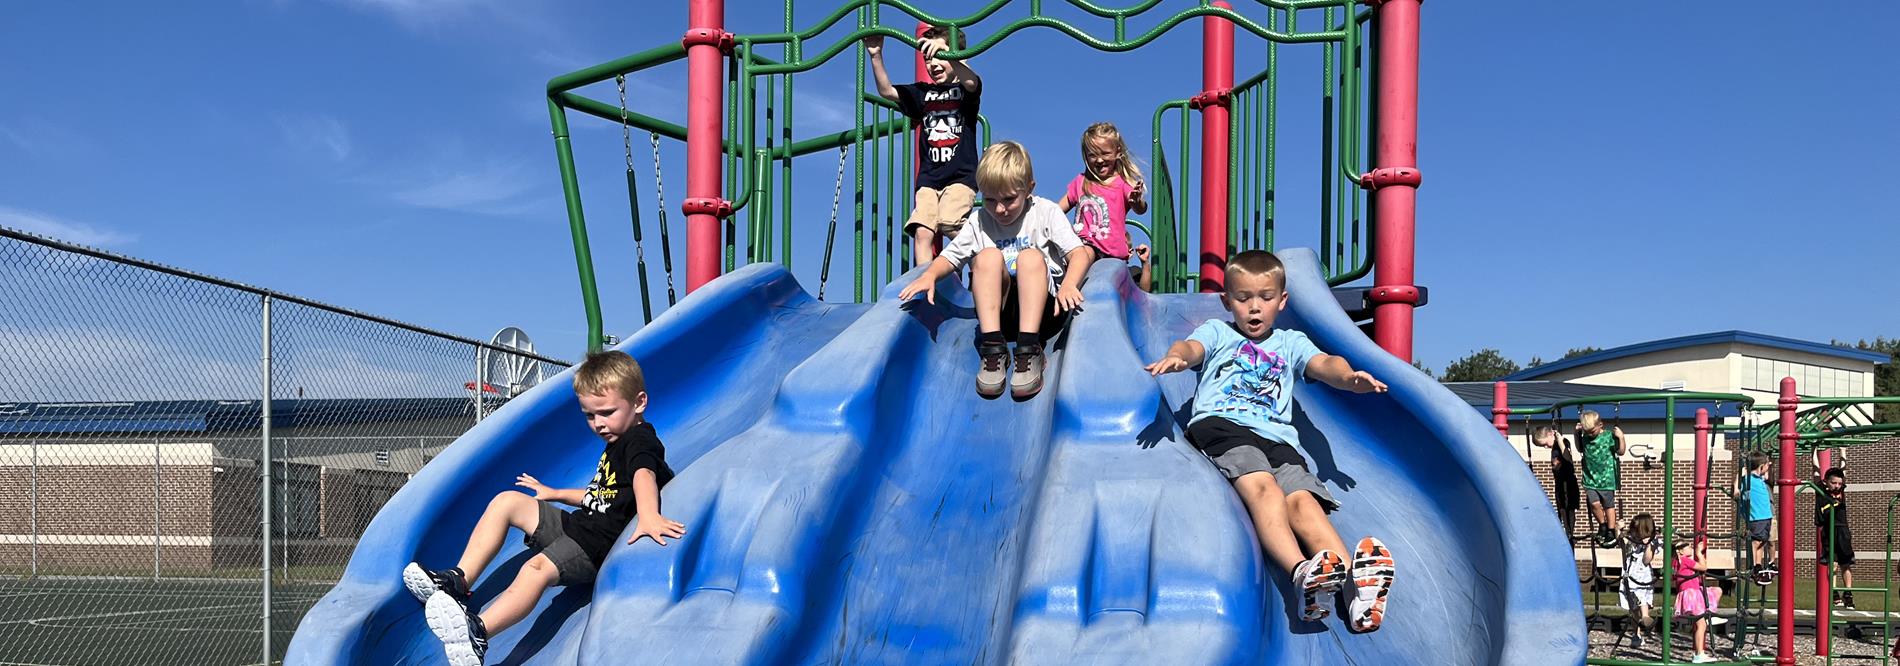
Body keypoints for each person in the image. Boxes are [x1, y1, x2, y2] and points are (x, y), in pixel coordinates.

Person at [1144, 249, 1396, 633]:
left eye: (1265, 298)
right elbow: (1190, 348)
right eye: (1243, 299)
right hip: (1222, 426)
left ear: (1282, 301)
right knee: (1264, 488)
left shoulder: (1290, 342)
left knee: (1304, 503)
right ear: (1227, 301)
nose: (1254, 308)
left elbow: (1326, 363)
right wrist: (1176, 358)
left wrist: (1349, 379)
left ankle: (1352, 591)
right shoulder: (1218, 332)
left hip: (1279, 438)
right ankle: (1301, 574)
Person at [402, 351, 684, 666]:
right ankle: (458, 580)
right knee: (507, 502)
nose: (598, 424)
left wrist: (649, 516)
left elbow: (644, 475)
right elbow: (604, 495)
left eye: (606, 413)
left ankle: (478, 633)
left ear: (639, 402)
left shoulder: (639, 441)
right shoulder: (617, 440)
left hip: (596, 545)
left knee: (534, 570)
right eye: (590, 416)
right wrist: (556, 493)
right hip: (581, 524)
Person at [898, 141, 1093, 399]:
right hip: (998, 316)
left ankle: (1029, 350)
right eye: (990, 200)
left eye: (1009, 199)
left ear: (1029, 189)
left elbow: (1078, 254)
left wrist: (1069, 283)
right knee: (986, 257)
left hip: (1044, 314)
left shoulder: (1046, 212)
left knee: (1030, 258)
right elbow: (952, 256)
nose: (999, 209)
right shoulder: (979, 220)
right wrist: (930, 274)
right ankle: (992, 349)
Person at [865, 26, 982, 267]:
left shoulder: (965, 92)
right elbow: (887, 91)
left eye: (940, 56)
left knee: (950, 222)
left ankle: (983, 268)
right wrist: (876, 56)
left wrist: (948, 52)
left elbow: (971, 80)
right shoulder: (923, 93)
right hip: (929, 179)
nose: (934, 63)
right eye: (929, 59)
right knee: (922, 232)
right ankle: (924, 283)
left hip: (960, 177)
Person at [1057, 122, 1147, 263]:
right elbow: (1056, 211)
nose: (1099, 160)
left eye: (1105, 153)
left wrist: (1136, 202)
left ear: (1118, 152)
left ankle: (1069, 284)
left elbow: (1141, 209)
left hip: (1110, 257)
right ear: (1086, 157)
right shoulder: (1081, 182)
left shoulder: (1122, 183)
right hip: (1081, 250)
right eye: (1093, 155)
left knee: (1085, 252)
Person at [1575, 410, 1626, 547]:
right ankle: (1602, 525)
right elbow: (1580, 448)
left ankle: (1610, 529)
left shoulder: (1609, 436)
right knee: (1594, 504)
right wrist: (1577, 434)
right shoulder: (1585, 437)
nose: (1590, 434)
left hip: (1607, 478)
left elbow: (1620, 451)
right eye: (1587, 432)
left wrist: (1620, 437)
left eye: (1592, 431)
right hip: (1590, 478)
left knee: (1608, 505)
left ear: (1601, 425)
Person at [1672, 536, 1723, 663]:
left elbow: (1698, 576)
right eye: (1687, 546)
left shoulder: (1678, 562)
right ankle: (1699, 654)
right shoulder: (1685, 560)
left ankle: (1709, 614)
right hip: (1691, 594)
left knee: (1717, 591)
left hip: (1691, 592)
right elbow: (1703, 567)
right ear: (1680, 551)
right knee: (1701, 625)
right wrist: (1699, 553)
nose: (1690, 547)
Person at [1815, 466, 1856, 607]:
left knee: (1846, 563)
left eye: (1839, 483)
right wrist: (1814, 450)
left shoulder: (1841, 490)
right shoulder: (1821, 491)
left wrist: (1843, 450)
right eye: (1834, 483)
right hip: (1828, 530)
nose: (1837, 486)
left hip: (1842, 530)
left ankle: (1848, 594)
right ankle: (1834, 593)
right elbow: (1816, 472)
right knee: (1832, 564)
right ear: (1826, 482)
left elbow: (1843, 468)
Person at [1619, 514, 1661, 647]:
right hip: (1629, 575)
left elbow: (1646, 560)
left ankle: (1645, 616)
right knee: (1633, 609)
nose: (1633, 532)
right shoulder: (1630, 540)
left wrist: (1649, 545)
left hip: (1643, 576)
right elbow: (1621, 543)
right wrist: (1618, 529)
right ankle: (1636, 634)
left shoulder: (1653, 542)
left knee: (1642, 598)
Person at [1531, 425, 1580, 538]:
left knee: (1569, 509)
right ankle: (1564, 530)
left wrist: (1560, 440)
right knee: (1561, 508)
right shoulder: (1553, 447)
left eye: (1544, 444)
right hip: (1559, 483)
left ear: (1550, 434)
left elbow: (1568, 458)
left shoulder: (1562, 442)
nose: (1545, 447)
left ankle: (1569, 531)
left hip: (1568, 483)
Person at [1737, 452, 1777, 583]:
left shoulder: (1759, 479)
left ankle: (1758, 567)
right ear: (1761, 466)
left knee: (1762, 541)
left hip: (1766, 516)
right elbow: (1736, 492)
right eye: (1766, 465)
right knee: (1756, 542)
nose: (1768, 466)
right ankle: (1753, 566)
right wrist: (1740, 474)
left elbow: (1766, 474)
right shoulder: (1747, 479)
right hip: (1756, 517)